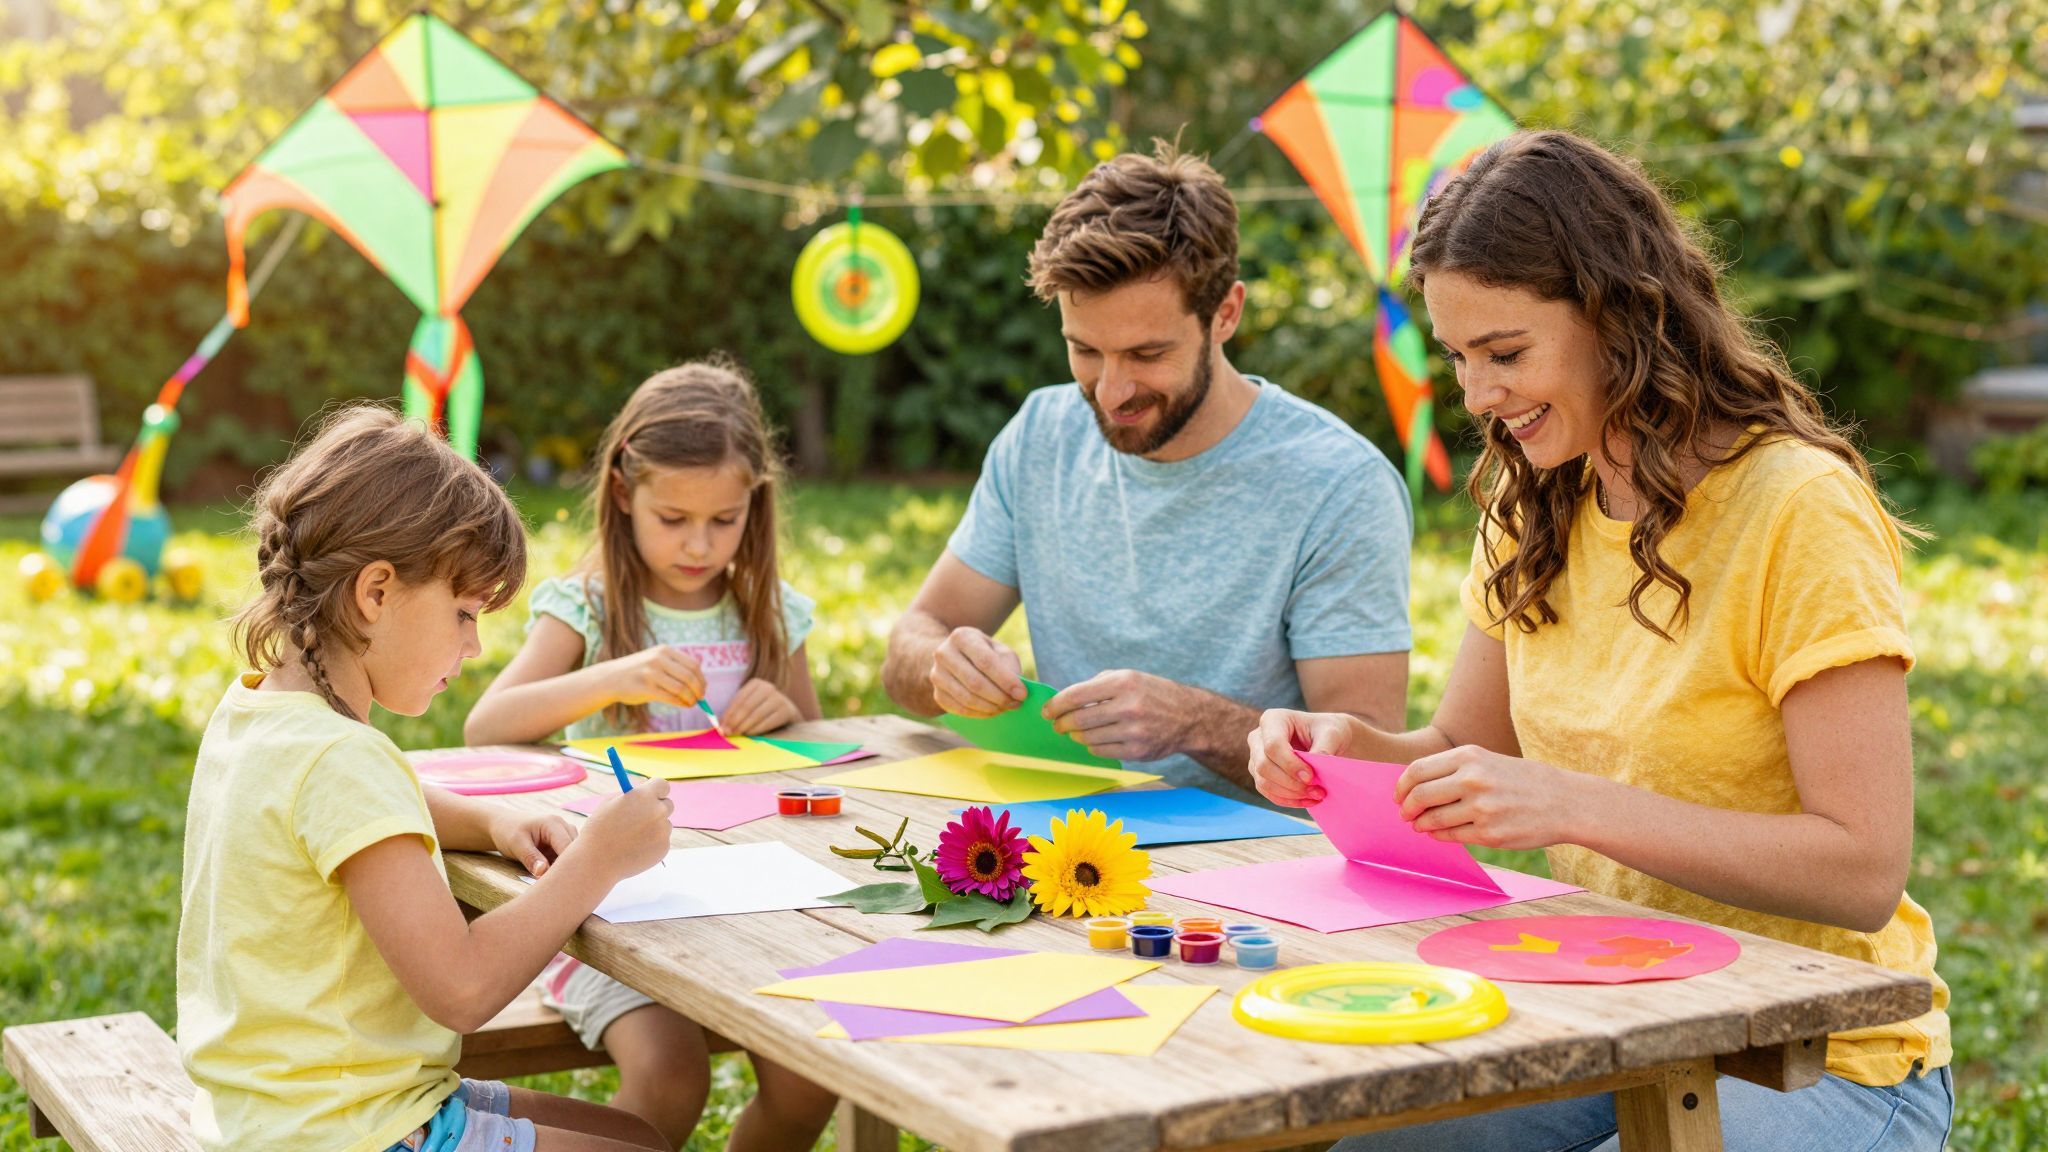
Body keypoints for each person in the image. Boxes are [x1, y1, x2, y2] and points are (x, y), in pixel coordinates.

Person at [1250, 129, 1952, 1151]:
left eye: (1504, 353)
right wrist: (1349, 753)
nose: (1478, 395)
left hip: (1822, 1046)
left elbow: (1860, 868)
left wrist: (1577, 804)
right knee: (1361, 1140)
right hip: (1611, 1005)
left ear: (1618, 317)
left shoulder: (1796, 507)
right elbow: (1458, 745)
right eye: (1455, 358)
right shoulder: (1533, 492)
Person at [178, 405, 676, 1152]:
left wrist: (491, 823)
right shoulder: (343, 759)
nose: (474, 646)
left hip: (280, 1110)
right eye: (465, 614)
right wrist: (598, 859)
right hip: (345, 1130)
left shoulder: (259, 713)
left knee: (634, 1133)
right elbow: (464, 990)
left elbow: (340, 812)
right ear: (376, 593)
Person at [884, 142, 1413, 799]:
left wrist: (1196, 724)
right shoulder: (1039, 437)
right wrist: (941, 664)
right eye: (1084, 350)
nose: (1110, 391)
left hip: (1259, 869)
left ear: (1225, 314)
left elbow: (1366, 766)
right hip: (1064, 841)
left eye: (1146, 353)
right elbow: (910, 642)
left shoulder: (1338, 484)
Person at [465, 360, 835, 1150]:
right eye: (674, 519)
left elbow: (818, 742)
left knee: (810, 1082)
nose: (699, 544)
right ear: (626, 493)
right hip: (609, 918)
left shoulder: (766, 608)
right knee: (671, 1079)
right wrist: (613, 675)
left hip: (748, 906)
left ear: (754, 506)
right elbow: (488, 724)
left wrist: (786, 714)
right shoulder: (590, 605)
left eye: (724, 520)